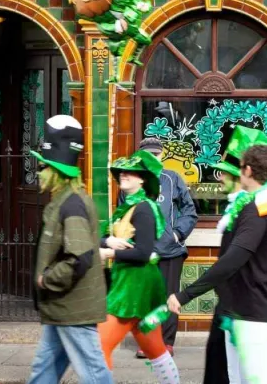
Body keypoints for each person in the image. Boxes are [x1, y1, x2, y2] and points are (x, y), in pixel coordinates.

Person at [168, 144, 267, 384]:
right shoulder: (263, 206)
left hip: (250, 311)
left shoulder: (258, 211)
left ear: (247, 170)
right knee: (239, 378)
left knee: (260, 379)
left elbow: (233, 260)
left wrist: (185, 295)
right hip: (242, 309)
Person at [27, 115, 113, 384]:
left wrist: (46, 278)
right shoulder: (66, 201)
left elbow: (81, 256)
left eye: (42, 167)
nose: (38, 172)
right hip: (62, 307)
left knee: (93, 372)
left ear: (54, 171)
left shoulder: (72, 204)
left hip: (73, 306)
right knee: (44, 368)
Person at [203, 126, 267, 384]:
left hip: (245, 301)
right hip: (235, 298)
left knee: (249, 370)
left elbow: (262, 260)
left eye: (229, 173)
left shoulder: (254, 207)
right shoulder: (244, 204)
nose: (221, 179)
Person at [99, 149, 180, 384]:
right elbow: (103, 236)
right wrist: (108, 241)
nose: (124, 174)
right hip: (131, 284)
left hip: (133, 288)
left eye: (131, 172)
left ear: (142, 179)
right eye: (122, 171)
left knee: (98, 348)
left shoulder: (144, 208)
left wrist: (109, 251)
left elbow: (143, 253)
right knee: (156, 350)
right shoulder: (126, 207)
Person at [118, 138, 198, 358]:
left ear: (162, 156)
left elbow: (189, 211)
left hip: (170, 251)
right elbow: (121, 215)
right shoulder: (131, 182)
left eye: (156, 154)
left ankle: (166, 343)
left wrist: (177, 233)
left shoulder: (172, 179)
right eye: (148, 155)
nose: (153, 158)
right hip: (141, 253)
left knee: (169, 298)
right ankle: (148, 342)